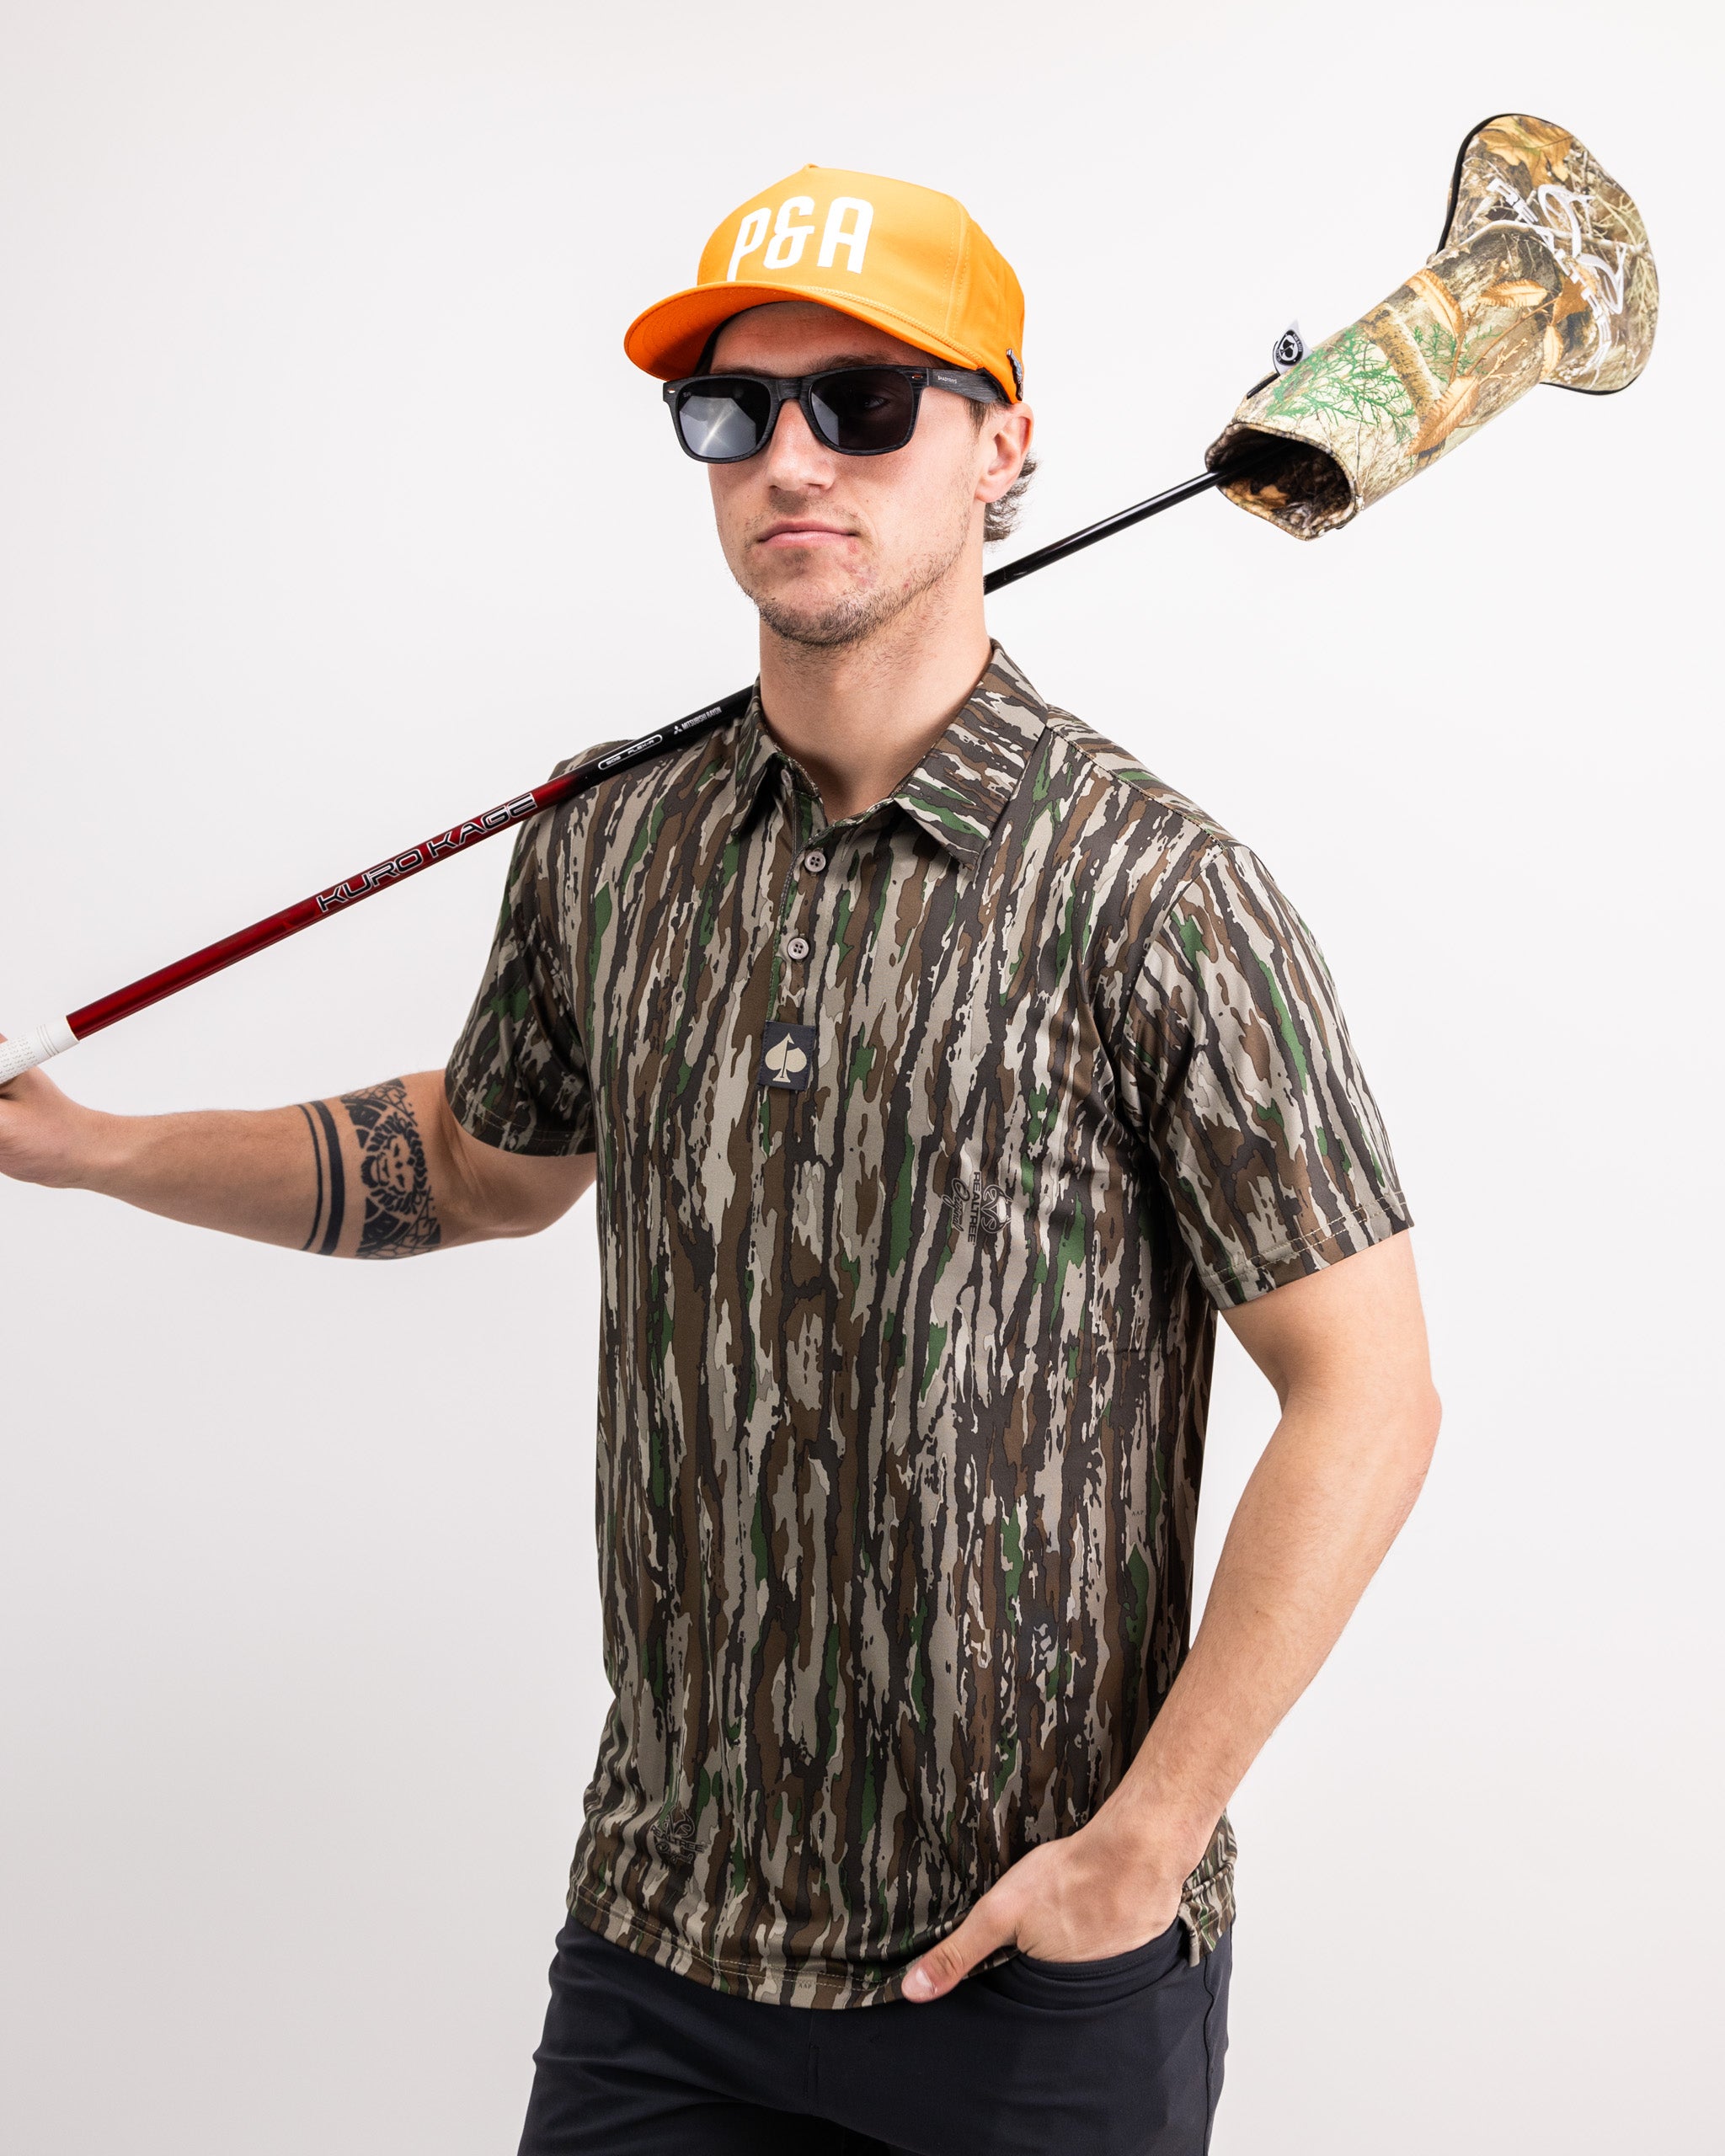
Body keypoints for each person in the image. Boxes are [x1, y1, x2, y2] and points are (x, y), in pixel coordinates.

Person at [0, 164, 1440, 2154]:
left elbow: (1366, 1388)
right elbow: (480, 1157)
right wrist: (88, 1148)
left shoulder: (1157, 894)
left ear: (1001, 444)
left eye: (865, 403)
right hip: (662, 1955)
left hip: (1031, 1974)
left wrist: (1144, 1842)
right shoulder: (615, 846)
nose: (790, 456)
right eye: (731, 408)